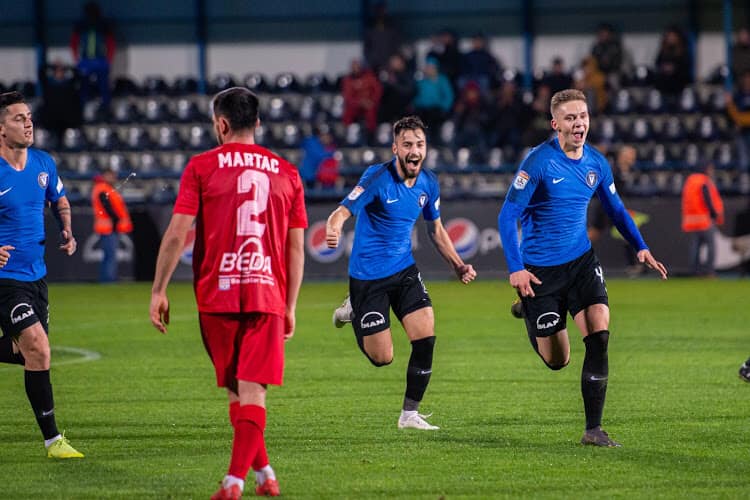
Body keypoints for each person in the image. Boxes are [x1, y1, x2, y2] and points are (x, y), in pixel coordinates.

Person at [149, 87, 307, 499]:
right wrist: (290, 305)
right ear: (257, 122)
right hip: (266, 292)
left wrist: (159, 289)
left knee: (238, 390)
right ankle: (261, 474)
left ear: (221, 124)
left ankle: (238, 480)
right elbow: (295, 247)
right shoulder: (287, 172)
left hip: (216, 294)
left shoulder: (201, 166)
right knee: (250, 392)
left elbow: (177, 233)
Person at [498, 89, 668, 447]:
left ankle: (593, 429)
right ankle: (529, 308)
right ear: (555, 124)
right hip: (540, 272)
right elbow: (507, 214)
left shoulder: (597, 163)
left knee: (599, 334)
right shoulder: (538, 162)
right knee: (557, 361)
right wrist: (515, 267)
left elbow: (616, 209)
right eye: (571, 118)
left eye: (583, 116)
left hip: (581, 263)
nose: (579, 124)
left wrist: (641, 246)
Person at [325, 115, 476, 431]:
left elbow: (436, 229)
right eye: (407, 144)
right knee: (382, 358)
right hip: (368, 277)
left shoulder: (428, 182)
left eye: (419, 144)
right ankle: (354, 308)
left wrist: (458, 264)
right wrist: (333, 226)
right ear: (395, 148)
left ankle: (409, 415)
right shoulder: (377, 177)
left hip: (403, 270)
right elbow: (343, 210)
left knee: (426, 336)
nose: (414, 150)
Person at [0, 91, 83, 458]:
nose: (28, 123)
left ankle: (53, 441)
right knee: (39, 347)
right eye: (18, 118)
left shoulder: (43, 163)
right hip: (6, 279)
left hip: (37, 277)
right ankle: (53, 441)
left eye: (29, 117)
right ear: (1, 128)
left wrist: (67, 228)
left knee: (28, 354)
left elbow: (58, 199)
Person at [681, 160, 724, 277]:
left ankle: (695, 271)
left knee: (695, 246)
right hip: (704, 220)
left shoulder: (690, 181)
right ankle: (709, 271)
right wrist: (714, 214)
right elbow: (707, 199)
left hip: (692, 221)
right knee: (711, 245)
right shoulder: (703, 181)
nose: (711, 171)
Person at [91, 166, 133, 282]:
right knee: (110, 256)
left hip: (109, 227)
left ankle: (107, 279)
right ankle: (109, 279)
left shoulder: (104, 188)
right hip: (108, 228)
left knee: (109, 256)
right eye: (111, 175)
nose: (114, 178)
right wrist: (117, 219)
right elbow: (108, 208)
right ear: (104, 176)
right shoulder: (102, 189)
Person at [70, 2, 115, 107]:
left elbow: (110, 43)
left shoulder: (103, 24)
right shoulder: (81, 25)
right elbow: (74, 42)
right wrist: (77, 58)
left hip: (99, 59)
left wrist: (108, 59)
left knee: (102, 86)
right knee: (85, 86)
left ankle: (105, 107)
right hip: (88, 60)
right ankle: (83, 107)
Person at [341, 59, 383, 135]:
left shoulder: (370, 76)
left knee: (371, 112)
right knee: (348, 111)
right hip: (357, 104)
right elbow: (348, 97)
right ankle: (348, 131)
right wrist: (360, 102)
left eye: (357, 67)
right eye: (354, 67)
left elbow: (377, 91)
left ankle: (371, 133)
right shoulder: (348, 80)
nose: (356, 69)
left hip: (369, 103)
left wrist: (372, 101)